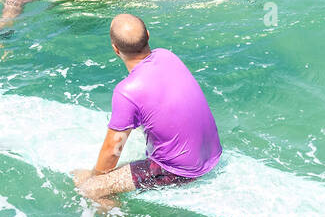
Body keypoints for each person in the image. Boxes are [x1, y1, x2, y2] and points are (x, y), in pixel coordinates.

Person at [72, 14, 222, 203]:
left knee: (90, 189)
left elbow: (113, 150)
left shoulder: (127, 91)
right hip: (212, 153)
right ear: (148, 36)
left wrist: (97, 177)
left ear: (115, 49)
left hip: (182, 171)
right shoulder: (167, 56)